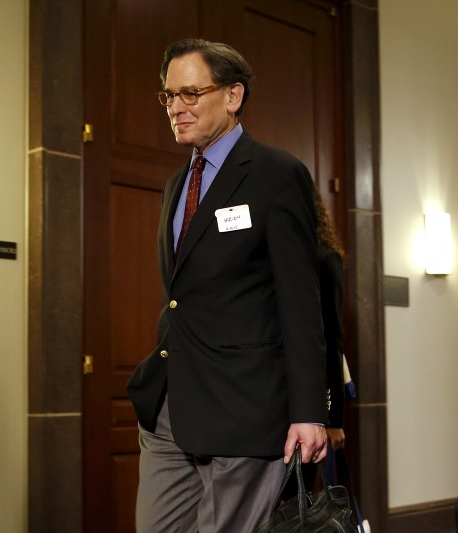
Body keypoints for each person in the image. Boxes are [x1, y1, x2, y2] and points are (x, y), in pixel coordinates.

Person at [125, 39, 328, 532]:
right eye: (169, 96)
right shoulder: (177, 183)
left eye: (191, 93)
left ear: (233, 96)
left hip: (246, 406)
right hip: (172, 403)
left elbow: (301, 299)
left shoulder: (277, 174)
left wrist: (309, 411)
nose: (176, 107)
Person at [281, 189, 347, 500]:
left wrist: (333, 419)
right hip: (266, 406)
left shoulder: (324, 258)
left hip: (306, 406)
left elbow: (331, 342)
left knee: (297, 506)